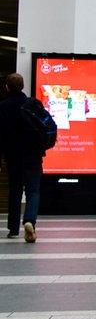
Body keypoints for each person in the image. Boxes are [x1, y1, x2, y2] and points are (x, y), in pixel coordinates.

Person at [0, 73, 43, 243]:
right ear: (23, 86)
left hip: (13, 156)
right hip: (33, 155)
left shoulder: (3, 107)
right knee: (33, 190)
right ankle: (29, 221)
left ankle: (12, 229)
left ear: (7, 87)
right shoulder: (32, 104)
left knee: (15, 190)